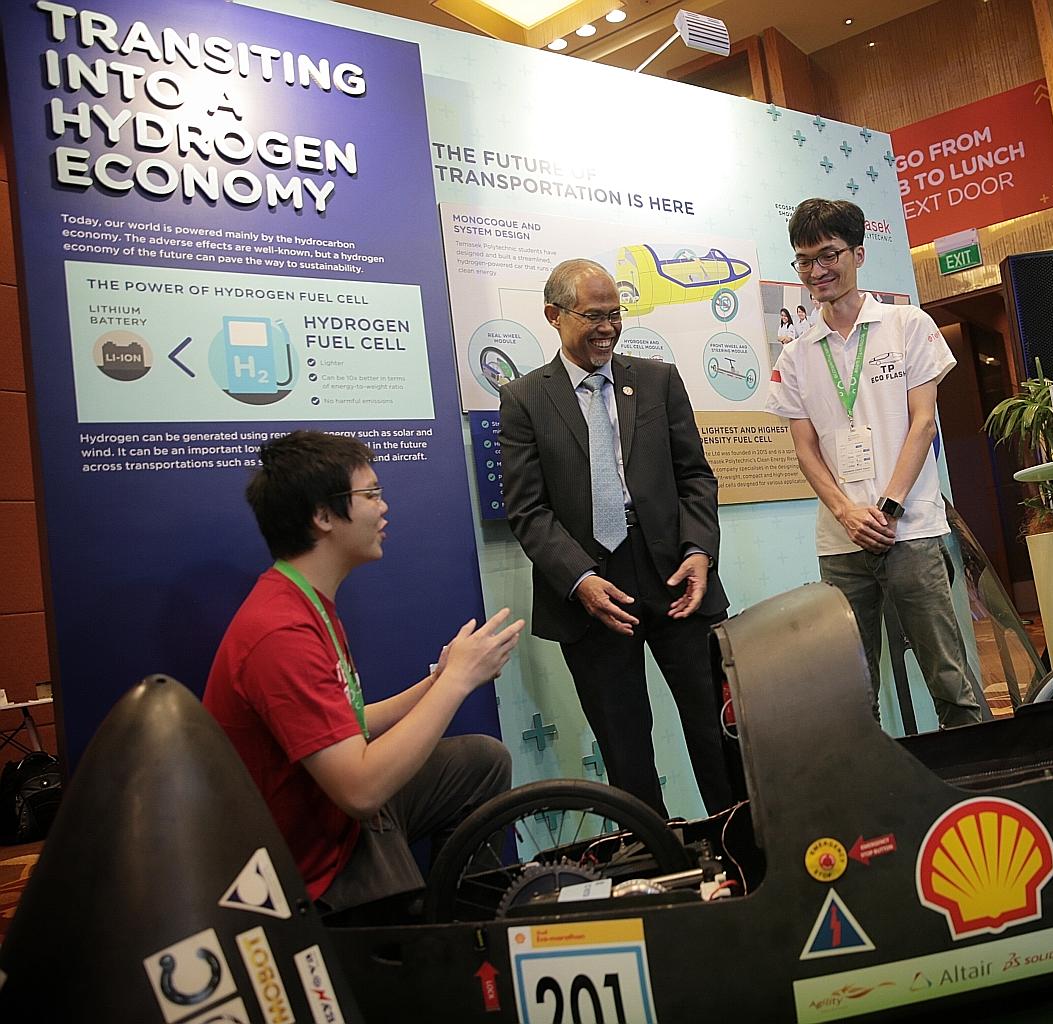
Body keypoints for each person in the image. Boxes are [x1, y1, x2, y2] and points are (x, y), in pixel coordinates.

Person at [204, 431, 521, 911]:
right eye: (371, 495)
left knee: (481, 761)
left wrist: (440, 678)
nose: (383, 507)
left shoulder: (305, 600)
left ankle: (465, 927)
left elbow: (345, 726)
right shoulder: (280, 632)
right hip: (309, 867)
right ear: (323, 515)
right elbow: (360, 789)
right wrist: (455, 683)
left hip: (330, 812)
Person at [498, 258, 735, 816]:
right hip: (592, 591)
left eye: (616, 314)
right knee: (625, 747)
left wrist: (700, 550)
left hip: (677, 578)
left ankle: (743, 841)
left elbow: (695, 476)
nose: (608, 328)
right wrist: (577, 578)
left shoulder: (656, 380)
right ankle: (660, 864)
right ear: (554, 316)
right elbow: (528, 510)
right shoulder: (525, 400)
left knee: (717, 729)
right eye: (593, 316)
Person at [765, 198, 983, 728]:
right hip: (842, 544)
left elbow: (923, 423)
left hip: (909, 531)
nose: (817, 270)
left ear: (857, 253)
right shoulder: (795, 352)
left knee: (949, 676)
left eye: (828, 254)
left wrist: (886, 506)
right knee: (852, 686)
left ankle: (976, 787)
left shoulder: (908, 325)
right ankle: (870, 797)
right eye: (804, 260)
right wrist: (846, 512)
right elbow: (805, 448)